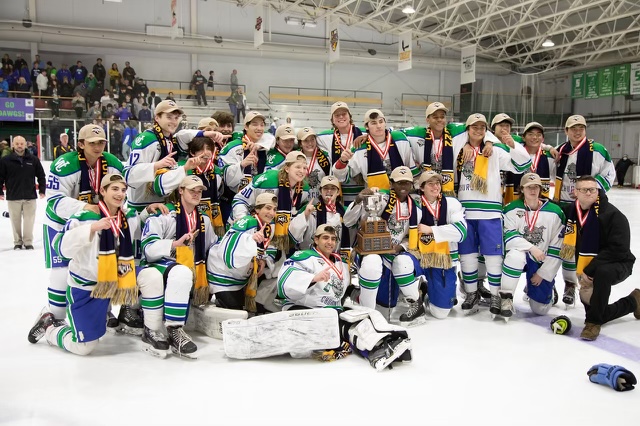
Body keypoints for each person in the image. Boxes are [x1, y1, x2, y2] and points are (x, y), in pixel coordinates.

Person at [225, 223, 412, 371]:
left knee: (361, 317)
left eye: (333, 239)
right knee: (344, 325)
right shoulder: (303, 256)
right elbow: (284, 282)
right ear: (315, 240)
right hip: (304, 310)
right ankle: (377, 347)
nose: (330, 242)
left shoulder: (339, 262)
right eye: (325, 238)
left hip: (331, 312)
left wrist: (355, 294)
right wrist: (312, 279)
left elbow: (341, 290)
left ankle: (385, 342)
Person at [27, 174, 155, 353]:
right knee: (84, 347)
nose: (120, 194)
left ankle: (153, 332)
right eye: (114, 189)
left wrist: (148, 211)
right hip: (88, 288)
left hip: (116, 280)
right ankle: (50, 326)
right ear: (102, 191)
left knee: (152, 276)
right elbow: (60, 247)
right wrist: (91, 229)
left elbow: (136, 232)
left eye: (123, 190)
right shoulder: (83, 217)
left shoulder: (128, 217)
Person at [42, 124, 125, 326]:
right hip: (61, 223)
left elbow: (119, 192)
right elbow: (54, 202)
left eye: (102, 142)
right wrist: (86, 207)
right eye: (92, 143)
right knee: (61, 270)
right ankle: (54, 317)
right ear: (81, 144)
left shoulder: (112, 162)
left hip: (97, 222)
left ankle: (103, 310)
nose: (98, 147)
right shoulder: (64, 164)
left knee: (99, 264)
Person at [453, 113, 531, 315]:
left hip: (490, 212)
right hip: (466, 210)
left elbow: (522, 164)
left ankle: (496, 295)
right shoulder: (459, 147)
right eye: (474, 127)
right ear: (467, 129)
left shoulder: (495, 151)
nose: (478, 131)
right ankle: (471, 293)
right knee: (467, 255)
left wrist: (511, 144)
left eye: (482, 128)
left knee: (493, 256)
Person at [138, 175, 217, 358]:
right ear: (180, 190)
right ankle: (174, 330)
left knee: (183, 270)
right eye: (192, 190)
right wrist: (174, 245)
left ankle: (174, 326)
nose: (196, 194)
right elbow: (148, 249)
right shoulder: (164, 214)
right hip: (155, 266)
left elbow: (211, 247)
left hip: (186, 267)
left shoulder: (203, 220)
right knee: (181, 271)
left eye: (199, 191)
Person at [560, 176, 640, 340]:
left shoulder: (613, 215)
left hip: (618, 262)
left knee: (602, 273)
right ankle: (633, 302)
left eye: (593, 189)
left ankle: (593, 323)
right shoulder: (572, 211)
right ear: (576, 192)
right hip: (590, 266)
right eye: (584, 190)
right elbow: (551, 208)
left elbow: (618, 249)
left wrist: (589, 271)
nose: (589, 193)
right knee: (597, 308)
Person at [554, 115, 616, 308]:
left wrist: (589, 192)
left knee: (584, 248)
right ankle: (562, 284)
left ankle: (581, 284)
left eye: (581, 127)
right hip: (564, 205)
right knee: (565, 247)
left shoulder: (597, 150)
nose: (577, 131)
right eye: (573, 128)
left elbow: (609, 174)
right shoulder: (560, 152)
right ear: (566, 131)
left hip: (588, 207)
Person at [347, 166, 424, 318]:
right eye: (399, 183)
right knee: (372, 262)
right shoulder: (379, 200)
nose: (403, 187)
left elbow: (412, 237)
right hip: (372, 250)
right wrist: (358, 200)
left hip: (395, 254)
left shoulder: (416, 210)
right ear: (391, 183)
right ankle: (366, 312)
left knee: (402, 263)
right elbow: (349, 221)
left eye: (407, 183)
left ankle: (416, 304)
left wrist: (401, 247)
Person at [499, 173, 565, 320]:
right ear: (522, 189)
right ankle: (506, 298)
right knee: (515, 256)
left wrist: (544, 273)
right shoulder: (511, 209)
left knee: (540, 309)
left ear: (541, 189)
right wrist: (531, 248)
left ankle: (539, 287)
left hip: (542, 260)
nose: (533, 190)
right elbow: (508, 235)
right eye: (529, 187)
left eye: (536, 187)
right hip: (521, 254)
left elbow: (557, 247)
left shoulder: (555, 212)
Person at [407, 171, 467, 320]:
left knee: (441, 313)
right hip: (419, 256)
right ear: (421, 187)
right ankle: (409, 294)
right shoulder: (413, 203)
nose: (435, 187)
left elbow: (461, 232)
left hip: (443, 261)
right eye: (430, 183)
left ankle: (427, 292)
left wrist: (432, 230)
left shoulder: (451, 203)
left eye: (438, 183)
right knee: (402, 264)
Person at [207, 192, 278, 311]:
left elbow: (270, 247)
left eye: (274, 209)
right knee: (235, 310)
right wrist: (250, 239)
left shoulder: (268, 226)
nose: (272, 213)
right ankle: (216, 297)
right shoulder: (246, 221)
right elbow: (229, 243)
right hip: (223, 273)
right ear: (257, 209)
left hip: (241, 275)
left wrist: (263, 260)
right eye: (268, 208)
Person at [232, 151, 310, 251]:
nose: (302, 171)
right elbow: (240, 199)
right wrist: (242, 219)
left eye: (304, 168)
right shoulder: (268, 180)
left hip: (274, 233)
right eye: (298, 167)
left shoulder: (304, 188)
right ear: (286, 168)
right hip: (252, 225)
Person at [332, 109, 418, 196]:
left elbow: (411, 169)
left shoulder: (400, 139)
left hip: (402, 196)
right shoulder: (359, 147)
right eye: (373, 123)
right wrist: (342, 161)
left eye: (381, 121)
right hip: (375, 199)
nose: (379, 126)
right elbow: (342, 177)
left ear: (385, 123)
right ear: (366, 127)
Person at [0, 136, 46, 250]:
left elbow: (41, 175)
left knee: (29, 221)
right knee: (15, 221)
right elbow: (0, 177)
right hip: (13, 196)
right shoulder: (6, 160)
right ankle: (17, 242)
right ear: (13, 145)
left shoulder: (33, 159)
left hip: (29, 196)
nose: (19, 145)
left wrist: (42, 190)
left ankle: (28, 242)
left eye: (21, 143)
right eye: (17, 143)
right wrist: (0, 191)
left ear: (25, 144)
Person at [217, 111, 275, 197]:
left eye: (262, 125)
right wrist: (242, 165)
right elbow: (226, 178)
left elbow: (272, 138)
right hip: (234, 199)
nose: (259, 128)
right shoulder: (232, 147)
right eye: (255, 124)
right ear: (246, 127)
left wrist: (259, 146)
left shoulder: (265, 146)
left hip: (260, 198)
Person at [296, 126, 331, 201]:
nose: (310, 143)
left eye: (312, 139)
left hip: (321, 203)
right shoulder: (295, 157)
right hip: (301, 204)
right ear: (300, 143)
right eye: (306, 140)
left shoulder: (325, 157)